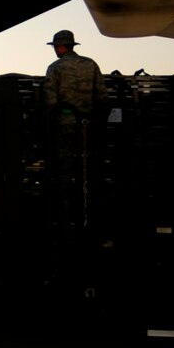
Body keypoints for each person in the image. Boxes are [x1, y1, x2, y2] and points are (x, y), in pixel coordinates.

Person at [43, 29, 107, 225]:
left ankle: (66, 216)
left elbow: (50, 102)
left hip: (65, 128)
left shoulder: (55, 68)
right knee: (89, 170)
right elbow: (103, 97)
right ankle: (91, 214)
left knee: (64, 170)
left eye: (55, 47)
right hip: (89, 127)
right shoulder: (91, 65)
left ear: (61, 47)